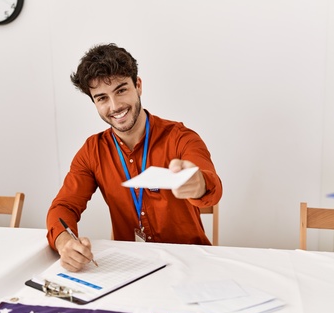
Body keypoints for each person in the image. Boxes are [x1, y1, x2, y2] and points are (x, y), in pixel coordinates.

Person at [46, 43, 223, 271]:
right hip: (130, 269)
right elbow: (63, 207)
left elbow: (213, 187)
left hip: (190, 265)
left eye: (121, 90)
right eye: (102, 98)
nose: (115, 106)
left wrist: (198, 184)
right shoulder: (92, 151)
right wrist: (65, 243)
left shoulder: (181, 138)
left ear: (138, 86)